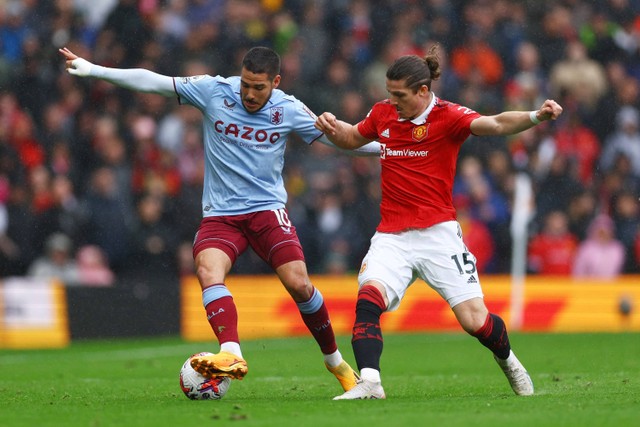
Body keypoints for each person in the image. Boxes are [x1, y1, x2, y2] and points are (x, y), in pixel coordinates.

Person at [59, 46, 380, 394]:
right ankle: (231, 353)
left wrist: (394, 149)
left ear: (275, 82)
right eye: (245, 84)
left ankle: (336, 363)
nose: (250, 94)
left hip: (267, 211)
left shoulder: (287, 108)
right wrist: (94, 69)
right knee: (207, 271)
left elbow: (343, 141)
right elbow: (155, 83)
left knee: (300, 284)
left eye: (259, 87)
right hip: (222, 214)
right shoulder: (214, 91)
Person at [315, 46, 563, 399]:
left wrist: (536, 116)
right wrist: (330, 126)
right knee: (369, 299)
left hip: (438, 235)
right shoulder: (383, 114)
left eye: (399, 95)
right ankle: (370, 382)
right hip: (392, 236)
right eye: (389, 94)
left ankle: (509, 361)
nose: (392, 101)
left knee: (474, 321)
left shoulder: (449, 116)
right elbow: (352, 137)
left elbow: (494, 123)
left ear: (423, 91)